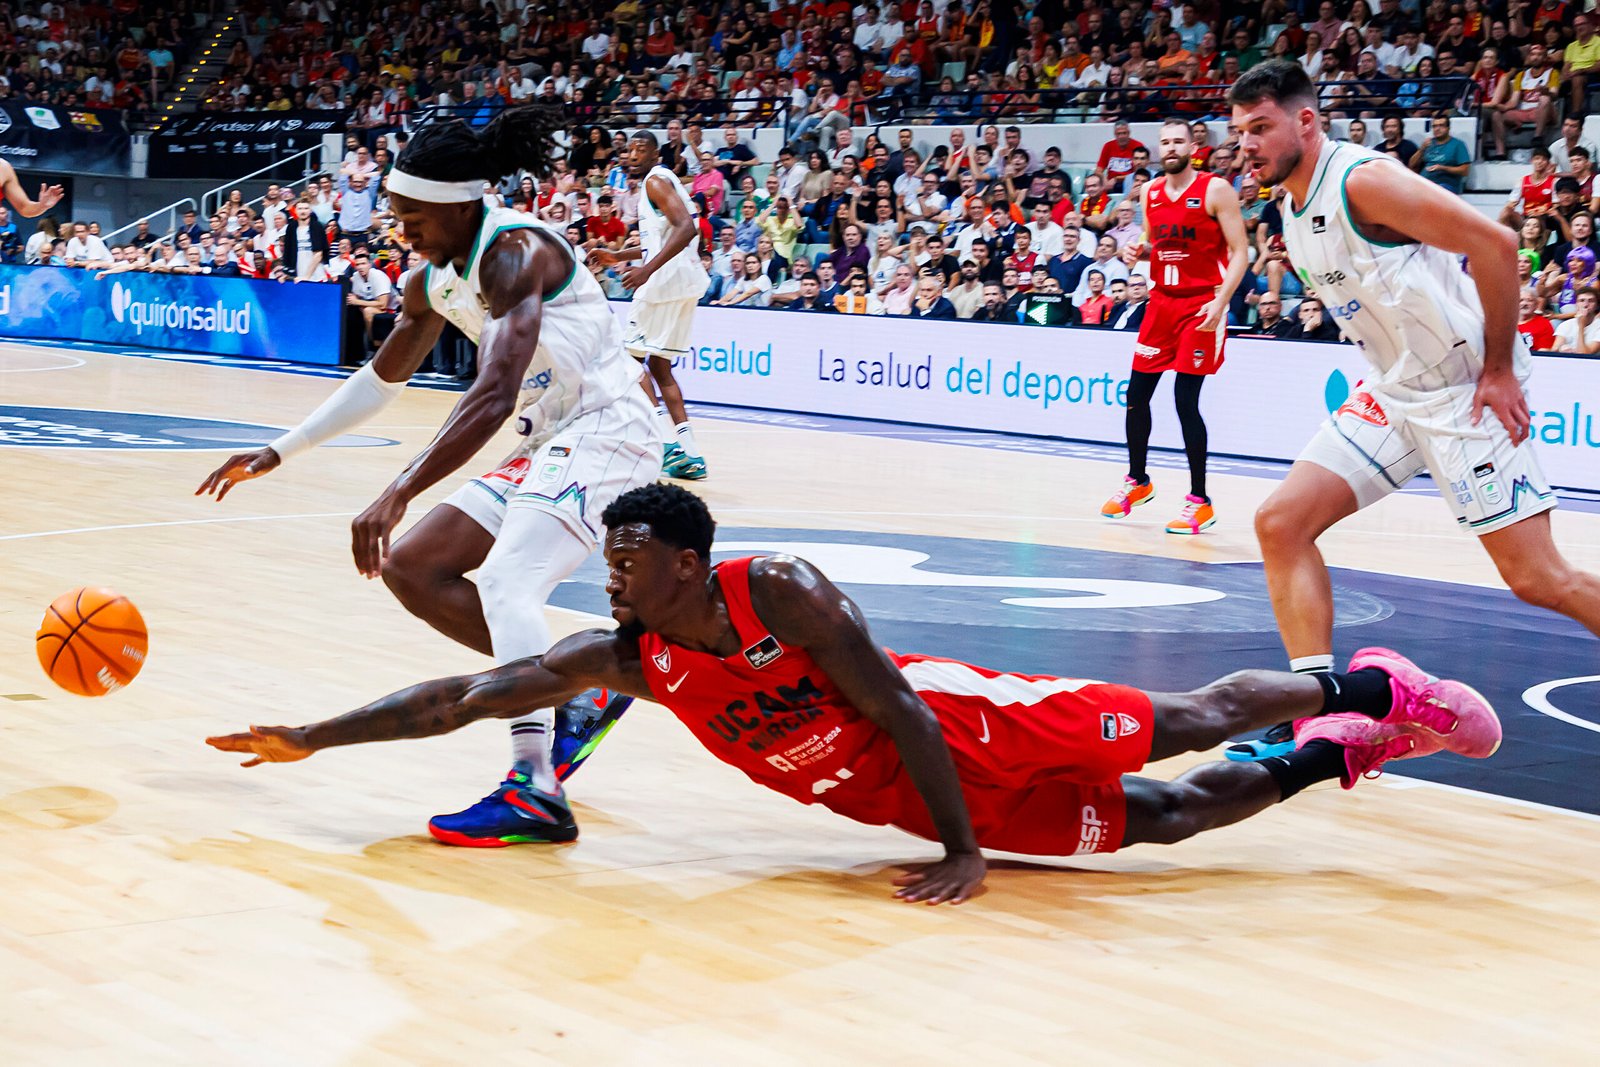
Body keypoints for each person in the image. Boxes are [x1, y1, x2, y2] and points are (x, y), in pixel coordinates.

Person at [209, 484, 1502, 906]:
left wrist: (961, 846)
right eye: (601, 557)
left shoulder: (781, 588)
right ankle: (1342, 745)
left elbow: (905, 710)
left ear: (679, 557)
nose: (603, 577)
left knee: (1186, 719)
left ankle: (1370, 678)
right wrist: (315, 735)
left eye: (620, 558)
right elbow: (463, 691)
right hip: (891, 791)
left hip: (954, 724)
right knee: (1164, 821)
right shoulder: (631, 653)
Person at [195, 106, 664, 845]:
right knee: (414, 565)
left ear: (458, 204)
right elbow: (382, 379)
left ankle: (534, 784)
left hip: (612, 427)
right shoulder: (432, 280)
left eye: (412, 214)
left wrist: (398, 488)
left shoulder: (514, 251)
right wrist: (281, 450)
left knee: (510, 580)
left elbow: (493, 391)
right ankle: (577, 687)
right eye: (396, 211)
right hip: (551, 435)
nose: (401, 226)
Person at [1229, 60, 1600, 760]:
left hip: (1462, 390)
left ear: (1305, 122)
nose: (1246, 144)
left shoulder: (1362, 181)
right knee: (1281, 522)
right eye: (1240, 131)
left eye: (1260, 128)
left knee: (1538, 578)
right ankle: (1316, 706)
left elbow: (1497, 243)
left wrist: (1497, 369)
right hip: (1395, 389)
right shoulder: (1289, 203)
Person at [1102, 118, 1249, 536]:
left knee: (1185, 402)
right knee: (1135, 395)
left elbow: (1241, 252)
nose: (1170, 148)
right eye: (1164, 142)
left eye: (1177, 141)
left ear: (1192, 146)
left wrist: (1222, 302)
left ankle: (1199, 501)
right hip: (1161, 305)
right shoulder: (1149, 192)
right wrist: (1139, 251)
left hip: (1201, 305)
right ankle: (1138, 480)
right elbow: (1154, 243)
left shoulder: (1216, 189)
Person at [591, 132, 712, 481]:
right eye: (629, 149)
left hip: (663, 285)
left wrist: (646, 271)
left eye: (640, 149)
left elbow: (686, 229)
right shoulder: (661, 185)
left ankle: (665, 444)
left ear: (656, 154)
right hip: (682, 284)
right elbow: (662, 238)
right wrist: (618, 255)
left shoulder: (656, 181)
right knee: (660, 367)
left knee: (629, 363)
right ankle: (690, 453)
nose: (632, 154)